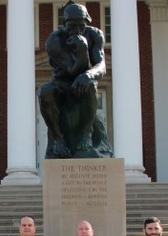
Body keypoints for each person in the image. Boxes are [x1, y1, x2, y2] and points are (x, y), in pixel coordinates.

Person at [38, 2, 113, 159]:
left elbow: (101, 66)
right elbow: (73, 70)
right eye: (72, 26)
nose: (77, 30)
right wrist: (82, 49)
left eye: (81, 25)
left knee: (89, 84)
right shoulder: (55, 40)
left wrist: (88, 75)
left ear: (86, 22)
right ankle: (59, 139)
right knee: (44, 92)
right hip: (62, 87)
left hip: (83, 86)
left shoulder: (95, 34)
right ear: (64, 23)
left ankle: (87, 133)